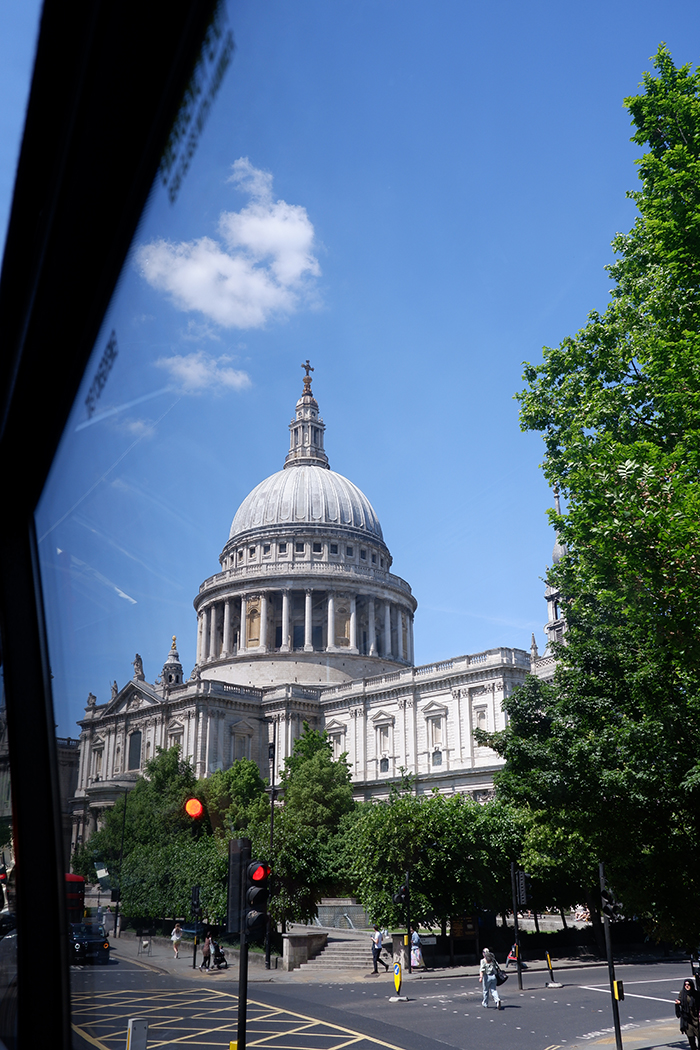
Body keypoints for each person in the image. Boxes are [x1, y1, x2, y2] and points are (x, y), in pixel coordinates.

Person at [676, 978, 699, 1050]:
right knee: (691, 1039)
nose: (687, 986)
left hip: (697, 1019)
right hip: (688, 1020)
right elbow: (680, 1000)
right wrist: (678, 1003)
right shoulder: (682, 993)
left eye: (688, 984)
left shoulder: (696, 994)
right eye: (685, 985)